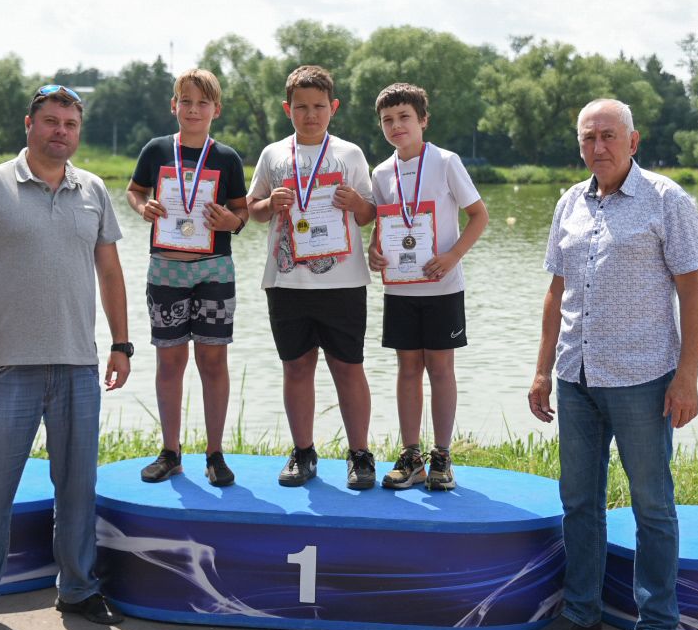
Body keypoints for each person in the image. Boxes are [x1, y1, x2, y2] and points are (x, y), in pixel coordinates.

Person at [0, 82, 134, 630]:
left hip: (78, 365)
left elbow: (112, 274)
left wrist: (121, 343)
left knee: (77, 487)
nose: (61, 132)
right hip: (5, 369)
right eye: (51, 121)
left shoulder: (93, 189)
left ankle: (77, 589)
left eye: (70, 125)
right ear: (30, 124)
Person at [526, 98, 698, 630]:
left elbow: (693, 294)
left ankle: (656, 626)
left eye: (608, 135)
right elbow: (556, 292)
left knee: (652, 505)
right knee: (579, 501)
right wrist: (541, 369)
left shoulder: (666, 200)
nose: (597, 147)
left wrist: (687, 376)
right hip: (576, 375)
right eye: (587, 138)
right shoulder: (569, 202)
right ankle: (582, 613)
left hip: (643, 378)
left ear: (633, 141)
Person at [246, 64, 379, 488]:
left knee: (348, 366)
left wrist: (356, 200)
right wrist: (272, 204)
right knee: (296, 368)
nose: (311, 115)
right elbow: (252, 210)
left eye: (319, 106)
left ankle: (359, 455)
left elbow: (369, 215)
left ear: (333, 107)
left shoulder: (350, 154)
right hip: (287, 282)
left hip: (342, 280)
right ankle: (303, 452)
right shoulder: (273, 155)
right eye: (301, 107)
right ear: (288, 109)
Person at [126, 69, 250, 487]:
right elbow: (134, 190)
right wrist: (142, 207)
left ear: (215, 109)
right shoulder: (156, 149)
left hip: (214, 268)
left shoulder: (227, 158)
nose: (193, 109)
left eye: (202, 103)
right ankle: (171, 452)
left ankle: (215, 454)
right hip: (165, 267)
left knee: (213, 362)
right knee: (169, 362)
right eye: (185, 101)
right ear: (173, 105)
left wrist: (232, 220)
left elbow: (242, 213)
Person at [366, 83, 489, 490]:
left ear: (423, 120)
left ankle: (442, 456)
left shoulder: (446, 161)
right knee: (406, 370)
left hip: (443, 287)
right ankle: (411, 455)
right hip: (401, 289)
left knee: (440, 369)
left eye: (404, 117)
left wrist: (453, 256)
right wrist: (375, 252)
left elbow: (479, 216)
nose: (396, 126)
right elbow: (384, 225)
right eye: (388, 120)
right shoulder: (381, 172)